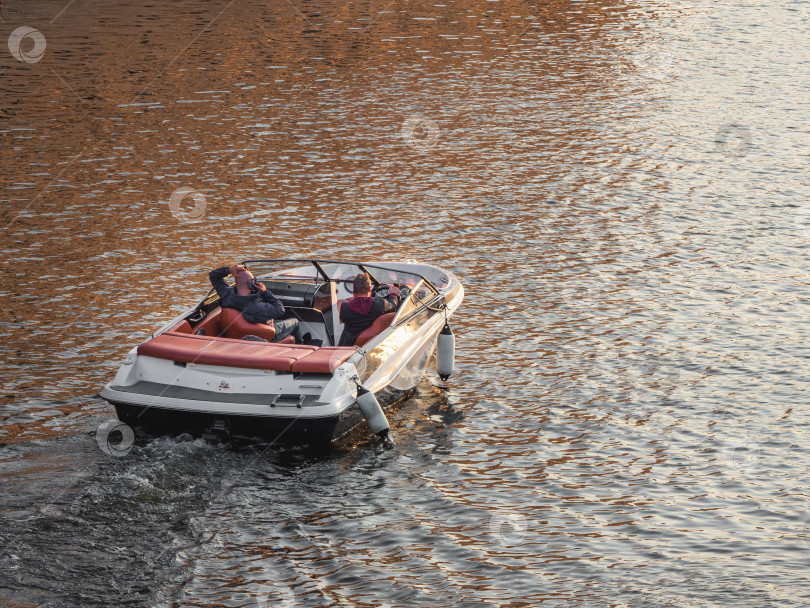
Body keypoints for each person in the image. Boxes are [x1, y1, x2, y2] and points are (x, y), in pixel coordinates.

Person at [209, 264, 304, 344]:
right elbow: (280, 309)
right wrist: (265, 292)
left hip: (244, 329)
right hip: (267, 334)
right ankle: (301, 346)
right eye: (254, 280)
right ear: (250, 283)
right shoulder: (256, 306)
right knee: (295, 322)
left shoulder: (226, 294)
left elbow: (213, 275)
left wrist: (228, 270)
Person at [338, 273, 400, 347]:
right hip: (366, 346)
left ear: (354, 291)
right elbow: (392, 305)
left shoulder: (345, 308)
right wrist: (393, 295)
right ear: (370, 289)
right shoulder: (379, 305)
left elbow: (357, 304)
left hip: (345, 346)